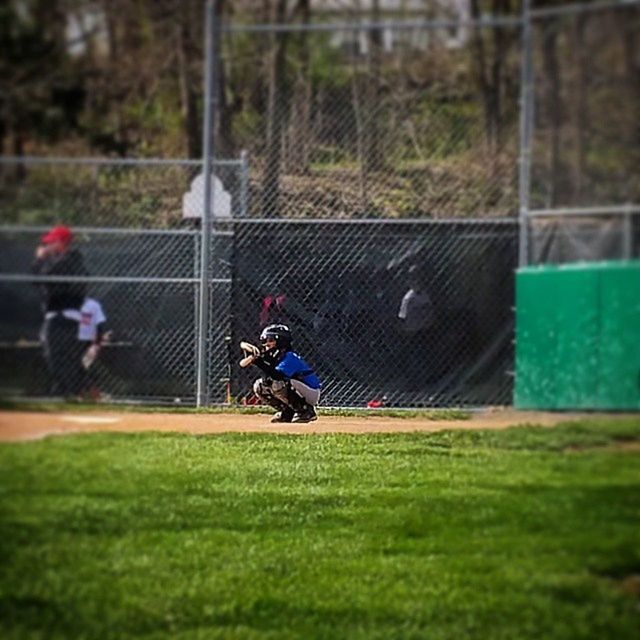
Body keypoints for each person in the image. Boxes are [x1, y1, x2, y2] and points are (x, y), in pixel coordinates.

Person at [31, 224, 89, 397]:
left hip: (62, 318)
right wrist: (41, 261)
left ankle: (68, 390)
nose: (48, 246)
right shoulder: (65, 260)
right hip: (60, 317)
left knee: (58, 357)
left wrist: (41, 259)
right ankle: (73, 390)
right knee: (62, 357)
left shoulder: (68, 261)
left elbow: (45, 278)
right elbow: (36, 281)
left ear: (61, 243)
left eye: (52, 242)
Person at [244, 324, 321, 423]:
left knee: (277, 383)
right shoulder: (275, 357)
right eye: (265, 341)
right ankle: (287, 412)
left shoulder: (290, 357)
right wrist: (259, 361)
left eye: (271, 340)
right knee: (259, 386)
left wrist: (260, 363)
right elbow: (268, 377)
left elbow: (278, 375)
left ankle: (305, 411)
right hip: (298, 390)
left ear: (281, 341)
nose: (266, 344)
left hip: (311, 392)